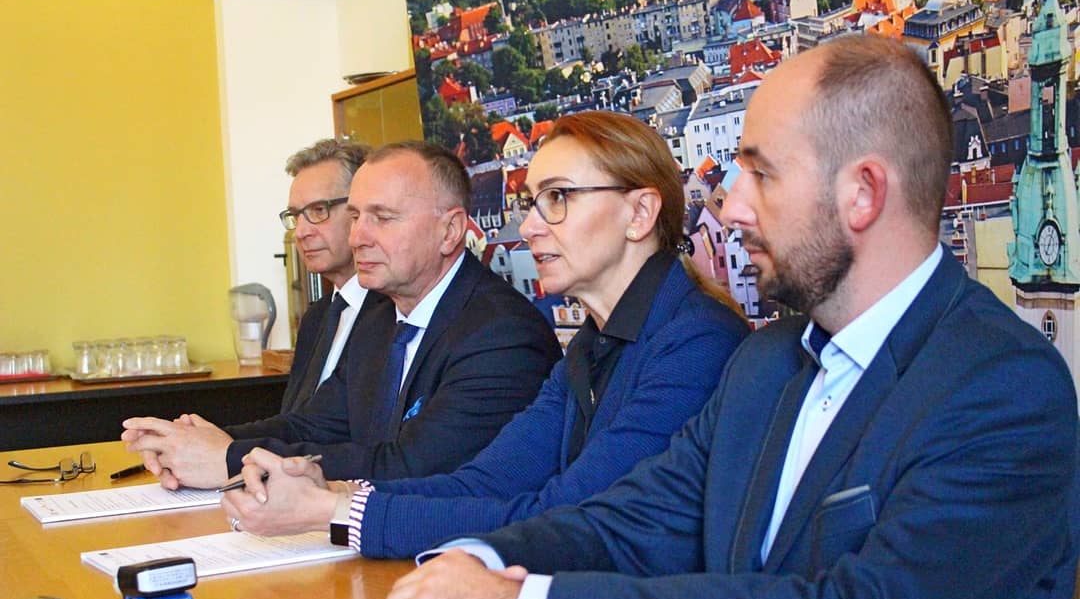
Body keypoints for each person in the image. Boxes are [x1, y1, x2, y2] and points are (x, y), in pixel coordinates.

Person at [372, 35, 1080, 599]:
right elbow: (630, 522)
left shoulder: (1004, 388)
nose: (732, 206)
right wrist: (471, 564)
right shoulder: (765, 364)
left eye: (762, 175)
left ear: (863, 193)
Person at [218, 111, 750, 557]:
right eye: (532, 203)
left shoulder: (696, 343)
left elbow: (571, 515)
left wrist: (335, 510)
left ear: (640, 213)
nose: (532, 226)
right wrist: (335, 492)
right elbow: (485, 481)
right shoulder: (591, 345)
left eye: (558, 198)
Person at [122, 142, 562, 489]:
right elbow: (314, 424)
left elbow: (410, 466)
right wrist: (197, 439)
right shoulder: (378, 317)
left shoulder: (502, 335)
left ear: (450, 231)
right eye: (354, 217)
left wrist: (229, 458)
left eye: (382, 218)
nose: (357, 238)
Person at [277, 139, 374, 413]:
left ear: (360, 211)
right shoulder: (315, 319)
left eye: (319, 210)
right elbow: (294, 421)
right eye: (296, 215)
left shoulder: (396, 314)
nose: (301, 232)